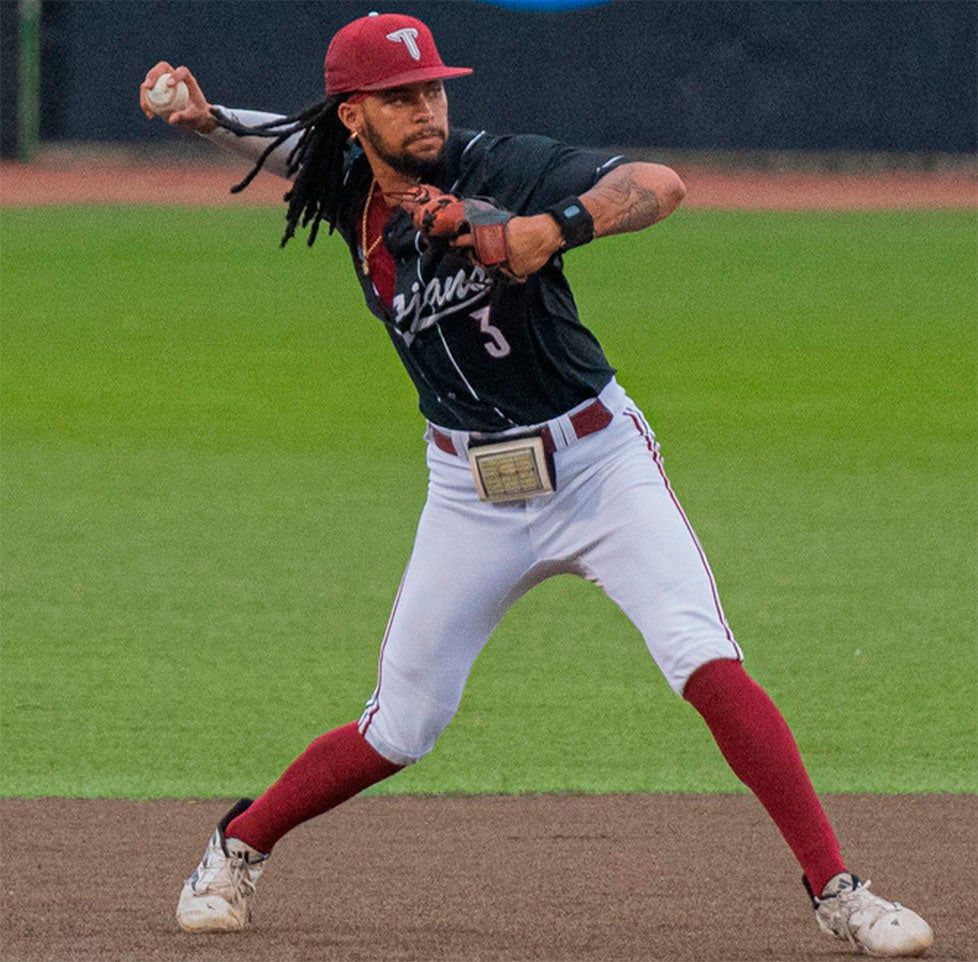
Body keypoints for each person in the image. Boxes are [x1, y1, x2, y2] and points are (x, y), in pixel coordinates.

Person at [140, 12, 933, 958]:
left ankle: (838, 891)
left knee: (701, 655)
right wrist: (201, 116)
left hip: (599, 465)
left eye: (433, 87)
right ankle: (235, 848)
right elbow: (286, 139)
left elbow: (657, 185)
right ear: (355, 117)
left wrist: (544, 229)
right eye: (401, 97)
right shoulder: (342, 171)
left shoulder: (496, 164)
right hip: (471, 492)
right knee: (401, 726)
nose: (427, 108)